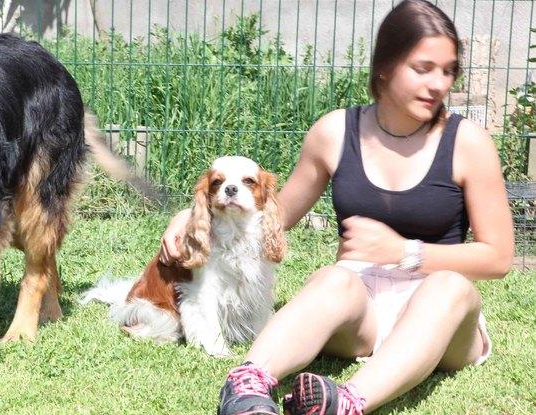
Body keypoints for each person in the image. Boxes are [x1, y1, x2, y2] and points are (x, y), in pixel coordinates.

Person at [158, 1, 514, 414]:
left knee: (448, 286)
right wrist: (192, 213)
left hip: (441, 319)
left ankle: (344, 403)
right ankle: (246, 388)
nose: (438, 84)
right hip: (362, 310)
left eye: (448, 70)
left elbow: (498, 257)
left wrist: (406, 253)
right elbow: (278, 212)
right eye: (422, 68)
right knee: (332, 277)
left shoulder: (468, 142)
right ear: (384, 67)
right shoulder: (334, 132)